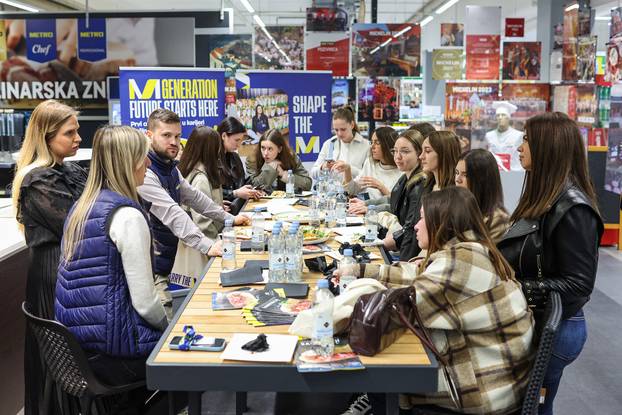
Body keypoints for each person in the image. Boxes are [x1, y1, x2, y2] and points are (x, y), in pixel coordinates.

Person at [338, 187, 534, 415]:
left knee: (383, 375)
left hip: (483, 391)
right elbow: (416, 274)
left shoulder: (460, 263)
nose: (415, 225)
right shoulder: (470, 250)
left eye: (422, 218)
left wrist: (335, 310)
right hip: (496, 377)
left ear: (442, 224)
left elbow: (396, 311)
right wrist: (360, 270)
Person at [498, 112, 603, 415]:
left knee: (533, 406)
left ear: (548, 147)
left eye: (527, 140)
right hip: (541, 323)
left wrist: (515, 288)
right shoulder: (545, 198)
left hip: (556, 329)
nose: (520, 147)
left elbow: (579, 284)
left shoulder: (573, 207)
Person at [55, 125, 165, 413]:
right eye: (143, 156)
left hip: (80, 352)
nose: (149, 163)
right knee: (197, 362)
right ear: (128, 162)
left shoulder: (82, 207)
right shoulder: (127, 216)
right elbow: (145, 303)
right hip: (116, 353)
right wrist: (171, 328)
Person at [137, 109, 250, 317]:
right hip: (152, 267)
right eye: (166, 135)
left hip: (168, 260)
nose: (174, 142)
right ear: (149, 135)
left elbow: (196, 198)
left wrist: (231, 219)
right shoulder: (146, 173)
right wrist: (208, 245)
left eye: (177, 136)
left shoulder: (170, 168)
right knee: (166, 324)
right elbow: (173, 214)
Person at [12, 99, 86, 415]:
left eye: (77, 130)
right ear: (46, 137)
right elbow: (77, 224)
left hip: (71, 271)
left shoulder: (71, 169)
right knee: (61, 361)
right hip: (53, 276)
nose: (78, 138)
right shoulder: (37, 180)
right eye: (70, 133)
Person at [178, 126, 227, 240]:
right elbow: (203, 223)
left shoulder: (189, 168)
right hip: (207, 243)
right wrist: (218, 243)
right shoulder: (200, 178)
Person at [455, 149, 510, 242]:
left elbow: (483, 251)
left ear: (482, 180)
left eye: (465, 175)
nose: (458, 179)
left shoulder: (498, 219)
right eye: (456, 173)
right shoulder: (457, 210)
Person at [338, 126, 402, 201]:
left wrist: (381, 187)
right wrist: (347, 169)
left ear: (388, 145)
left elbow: (398, 204)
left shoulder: (402, 170)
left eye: (377, 143)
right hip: (367, 207)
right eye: (372, 142)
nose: (372, 146)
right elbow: (352, 190)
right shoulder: (370, 164)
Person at [217, 116, 263, 214]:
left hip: (239, 210)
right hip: (224, 213)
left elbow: (242, 182)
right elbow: (210, 193)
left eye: (241, 141)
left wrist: (253, 189)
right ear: (224, 136)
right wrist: (235, 193)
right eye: (236, 140)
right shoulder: (211, 160)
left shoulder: (235, 157)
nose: (239, 145)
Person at [247, 128, 312, 193]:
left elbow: (307, 184)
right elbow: (252, 187)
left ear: (279, 149)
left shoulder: (291, 157)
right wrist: (270, 169)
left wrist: (283, 174)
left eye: (270, 149)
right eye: (263, 148)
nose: (265, 153)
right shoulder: (252, 160)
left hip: (287, 198)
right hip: (262, 199)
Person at [311, 107, 370, 178]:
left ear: (352, 125)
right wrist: (323, 167)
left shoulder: (366, 146)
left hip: (355, 185)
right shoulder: (329, 143)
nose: (339, 133)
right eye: (336, 130)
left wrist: (349, 168)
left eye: (343, 129)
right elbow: (313, 173)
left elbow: (369, 176)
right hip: (332, 185)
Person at [485, 102, 524, 171]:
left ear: (508, 117)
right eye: (498, 115)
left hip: (513, 172)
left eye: (503, 115)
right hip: (494, 172)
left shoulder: (518, 135)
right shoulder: (489, 135)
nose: (500, 118)